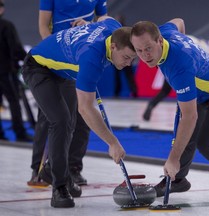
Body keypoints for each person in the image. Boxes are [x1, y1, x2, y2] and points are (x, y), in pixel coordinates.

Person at [130, 18, 209, 203]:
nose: (145, 55)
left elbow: (190, 116)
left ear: (159, 41)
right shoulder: (165, 32)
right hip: (201, 93)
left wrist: (173, 159)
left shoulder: (179, 65)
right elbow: (179, 21)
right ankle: (178, 180)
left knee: (208, 143)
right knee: (186, 137)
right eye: (139, 50)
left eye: (148, 48)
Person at [21, 15, 135, 208]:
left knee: (71, 122)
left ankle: (55, 171)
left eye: (133, 59)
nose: (128, 64)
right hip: (38, 66)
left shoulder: (114, 27)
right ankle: (59, 187)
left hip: (63, 69)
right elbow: (86, 108)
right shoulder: (92, 57)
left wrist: (89, 25)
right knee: (61, 120)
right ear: (113, 46)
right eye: (126, 57)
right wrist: (112, 143)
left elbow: (105, 17)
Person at [28, 0, 108, 187]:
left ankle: (73, 168)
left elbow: (104, 18)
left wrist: (91, 25)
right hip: (56, 58)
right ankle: (38, 169)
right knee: (50, 116)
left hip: (79, 59)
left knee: (81, 115)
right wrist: (58, 54)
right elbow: (43, 26)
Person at [142, 35, 209, 121]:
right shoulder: (203, 48)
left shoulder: (187, 39)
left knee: (166, 90)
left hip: (171, 63)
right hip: (183, 68)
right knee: (188, 92)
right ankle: (189, 115)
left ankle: (152, 104)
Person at [0, 0, 33, 142]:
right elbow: (16, 48)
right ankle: (19, 133)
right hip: (6, 71)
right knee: (13, 101)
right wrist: (28, 60)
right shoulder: (6, 26)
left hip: (5, 70)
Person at [114, 14, 138, 98]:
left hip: (125, 56)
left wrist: (131, 57)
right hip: (119, 57)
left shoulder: (127, 32)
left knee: (128, 75)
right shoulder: (116, 31)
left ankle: (133, 92)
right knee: (119, 76)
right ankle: (118, 92)